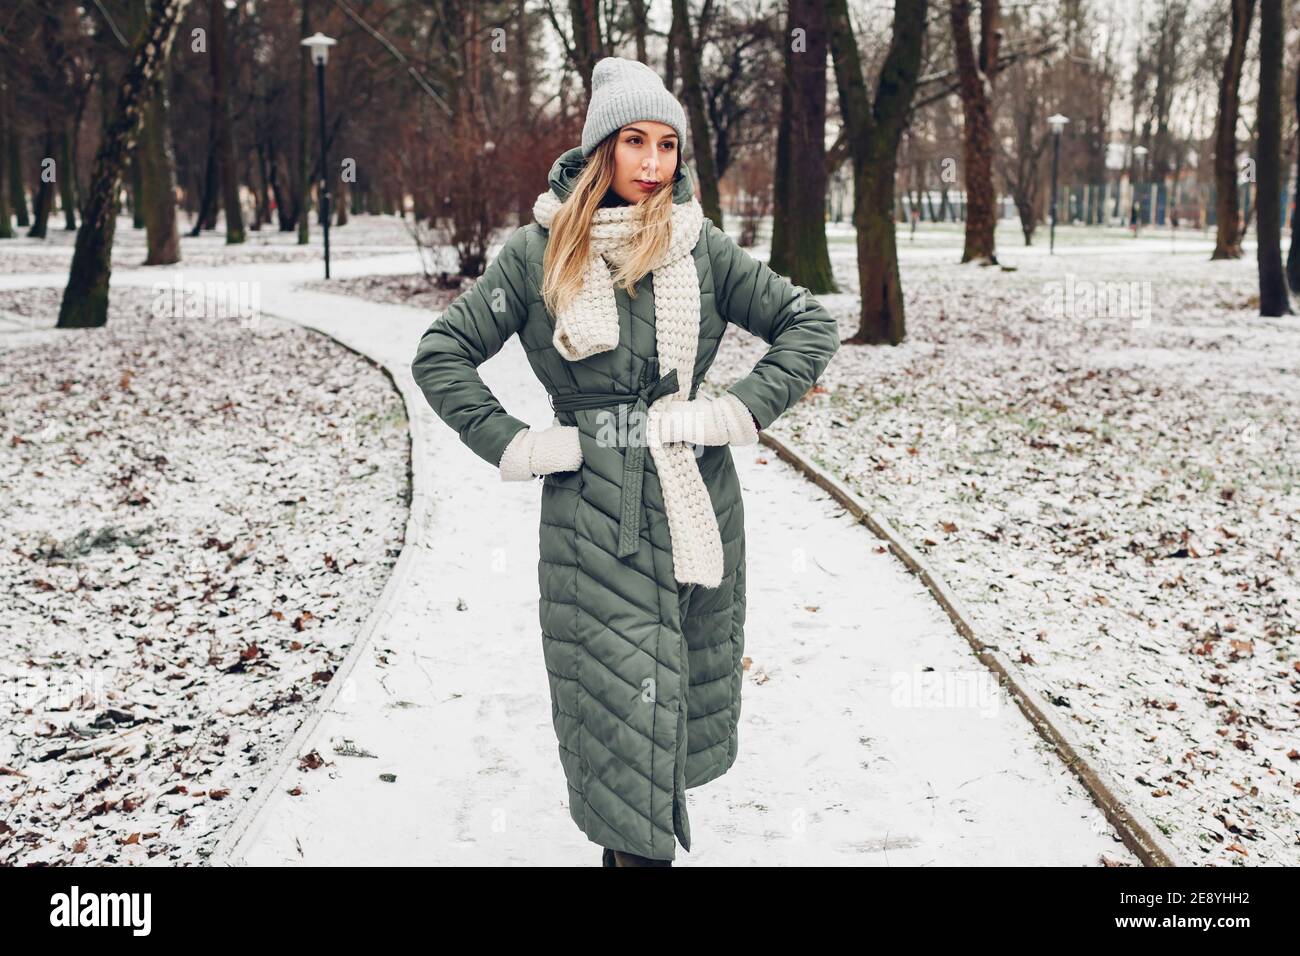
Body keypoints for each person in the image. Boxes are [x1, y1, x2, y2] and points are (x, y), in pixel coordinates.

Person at [410, 56, 840, 867]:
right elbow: (442, 355)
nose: (651, 164)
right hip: (591, 525)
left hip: (695, 510)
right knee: (620, 727)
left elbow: (808, 325)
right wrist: (519, 445)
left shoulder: (700, 248)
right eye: (634, 142)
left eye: (667, 145)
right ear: (600, 149)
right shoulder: (537, 253)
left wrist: (735, 411)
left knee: (665, 716)